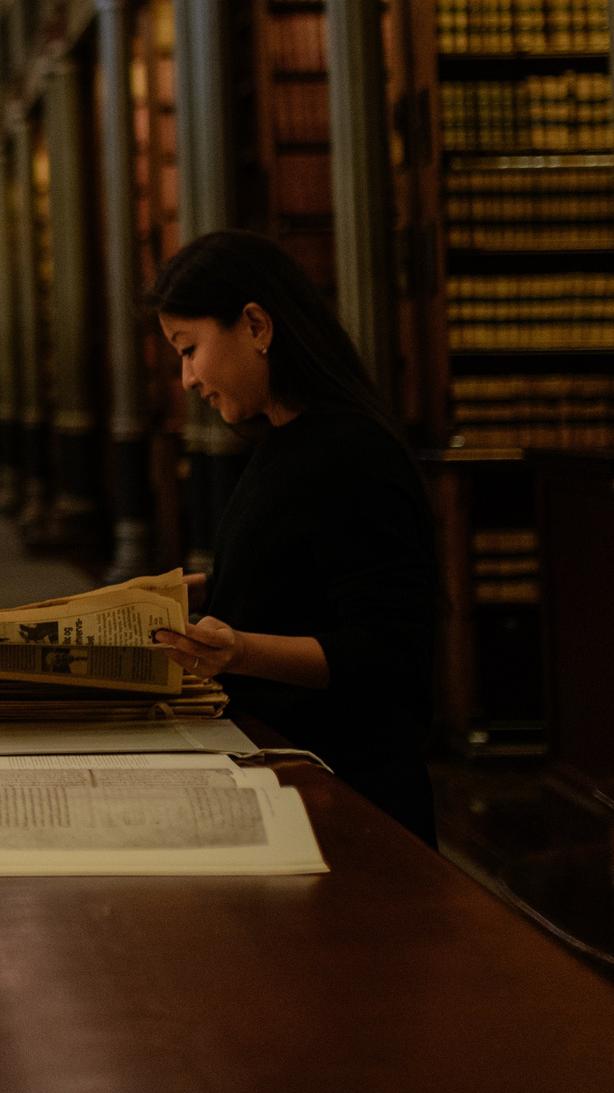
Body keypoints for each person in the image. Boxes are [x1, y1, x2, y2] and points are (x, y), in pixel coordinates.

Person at [143, 229, 441, 845]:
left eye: (189, 348)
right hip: (292, 772)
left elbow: (391, 650)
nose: (187, 379)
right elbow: (304, 576)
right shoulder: (284, 442)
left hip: (351, 796)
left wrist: (241, 651)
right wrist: (198, 590)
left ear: (256, 325)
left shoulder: (348, 451)